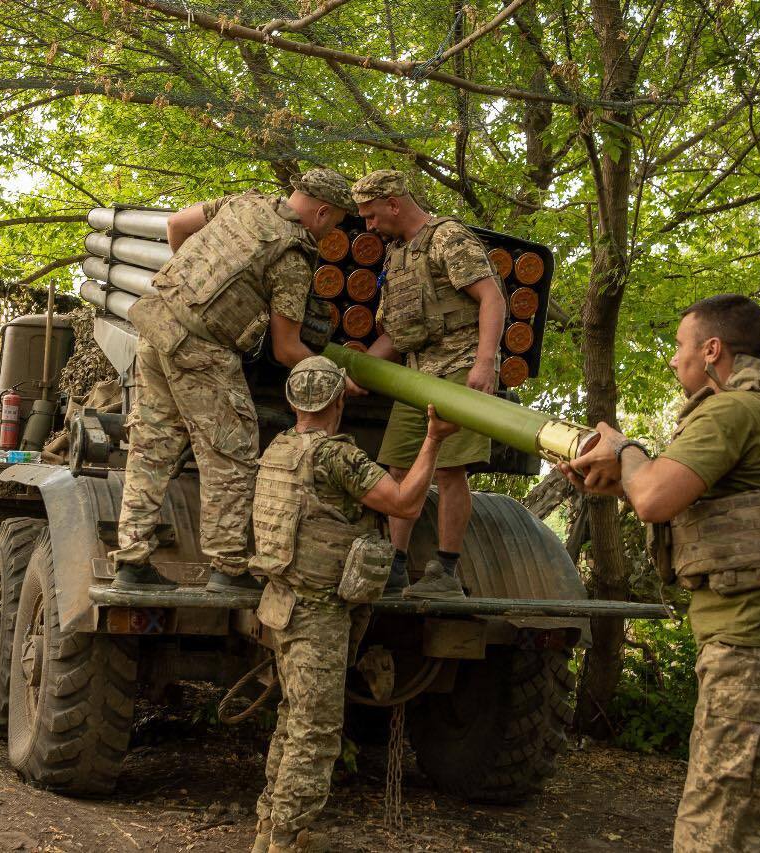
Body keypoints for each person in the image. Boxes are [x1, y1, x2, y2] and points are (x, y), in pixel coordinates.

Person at [557, 295, 760, 852]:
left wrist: (625, 448)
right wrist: (618, 480)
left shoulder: (732, 410)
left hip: (751, 647)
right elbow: (703, 505)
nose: (672, 361)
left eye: (679, 348)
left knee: (717, 831)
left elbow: (657, 495)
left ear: (712, 350)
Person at [111, 169, 358, 594]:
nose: (330, 231)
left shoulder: (245, 203)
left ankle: (131, 563)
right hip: (201, 348)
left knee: (152, 445)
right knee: (232, 451)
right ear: (322, 211)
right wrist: (336, 376)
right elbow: (286, 349)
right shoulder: (292, 256)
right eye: (334, 222)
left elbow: (176, 225)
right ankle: (227, 567)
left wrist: (192, 288)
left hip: (157, 325)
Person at [250, 356, 458, 853]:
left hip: (282, 600)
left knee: (292, 717)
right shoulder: (335, 457)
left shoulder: (278, 450)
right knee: (316, 729)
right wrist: (433, 440)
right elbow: (406, 502)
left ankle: (270, 827)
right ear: (338, 402)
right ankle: (285, 839)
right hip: (318, 610)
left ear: (293, 401)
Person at [350, 170, 507, 600]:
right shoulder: (397, 254)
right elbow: (396, 336)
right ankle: (396, 566)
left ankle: (445, 572)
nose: (369, 226)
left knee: (449, 470)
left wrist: (484, 363)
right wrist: (358, 372)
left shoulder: (448, 237)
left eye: (371, 215)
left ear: (394, 204)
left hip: (458, 370)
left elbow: (492, 297)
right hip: (416, 377)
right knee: (399, 467)